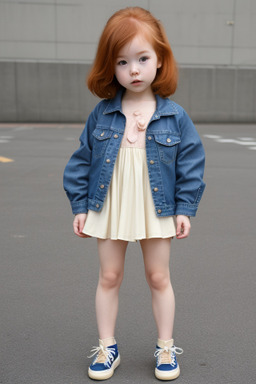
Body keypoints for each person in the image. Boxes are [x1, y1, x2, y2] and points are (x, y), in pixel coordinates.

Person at [63, 6, 205, 381]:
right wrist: (80, 205)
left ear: (161, 60)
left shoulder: (174, 116)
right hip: (109, 204)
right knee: (109, 275)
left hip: (155, 206)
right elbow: (82, 160)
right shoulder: (102, 114)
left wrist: (184, 209)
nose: (134, 70)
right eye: (123, 62)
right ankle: (107, 346)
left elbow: (191, 163)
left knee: (159, 276)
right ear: (111, 67)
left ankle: (165, 347)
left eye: (142, 58)